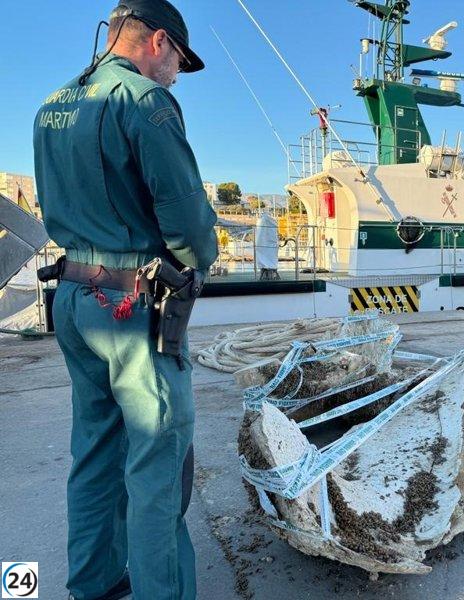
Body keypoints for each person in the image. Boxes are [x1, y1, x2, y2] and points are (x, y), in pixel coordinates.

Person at [32, 2, 217, 598]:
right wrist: (196, 266)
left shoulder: (52, 105)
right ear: (157, 42)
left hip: (72, 301)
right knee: (157, 468)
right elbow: (186, 218)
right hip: (130, 309)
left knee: (94, 452)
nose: (176, 76)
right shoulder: (144, 102)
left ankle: (95, 583)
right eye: (180, 63)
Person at [255, 211, 280, 280]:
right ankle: (270, 270)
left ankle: (267, 271)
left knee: (266, 250)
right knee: (268, 250)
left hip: (265, 245)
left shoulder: (262, 221)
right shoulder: (271, 221)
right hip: (268, 245)